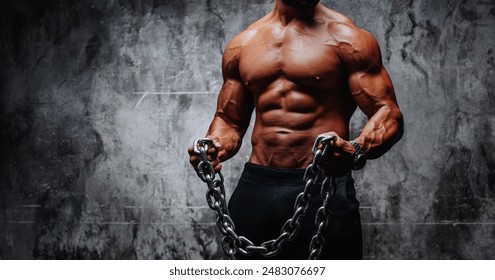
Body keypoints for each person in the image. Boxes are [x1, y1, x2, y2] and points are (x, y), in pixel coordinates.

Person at [188, 0, 403, 259]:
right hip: (257, 188)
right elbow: (229, 122)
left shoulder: (347, 37)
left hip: (323, 187)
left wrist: (355, 148)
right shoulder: (243, 43)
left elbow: (388, 112)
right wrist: (214, 148)